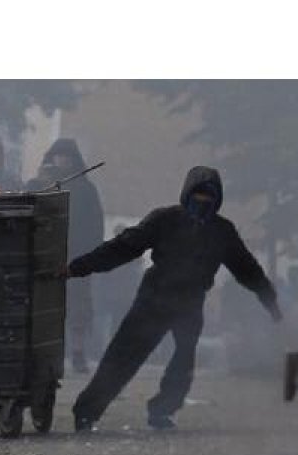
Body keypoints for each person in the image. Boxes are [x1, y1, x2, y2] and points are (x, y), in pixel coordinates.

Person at [60, 166, 282, 431]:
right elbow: (122, 247)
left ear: (217, 199)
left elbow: (248, 269)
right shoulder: (164, 219)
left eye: (208, 197)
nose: (202, 202)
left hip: (190, 302)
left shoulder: (222, 231)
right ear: (187, 194)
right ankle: (86, 412)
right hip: (154, 298)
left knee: (183, 360)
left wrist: (269, 300)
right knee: (123, 356)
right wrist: (78, 267)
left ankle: (163, 411)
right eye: (197, 195)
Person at [27, 139, 105, 373]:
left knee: (78, 308)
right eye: (59, 156)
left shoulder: (85, 189)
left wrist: (94, 254)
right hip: (45, 256)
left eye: (67, 157)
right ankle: (44, 355)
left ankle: (78, 354)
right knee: (44, 306)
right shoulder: (40, 184)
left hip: (76, 256)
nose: (63, 161)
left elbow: (95, 223)